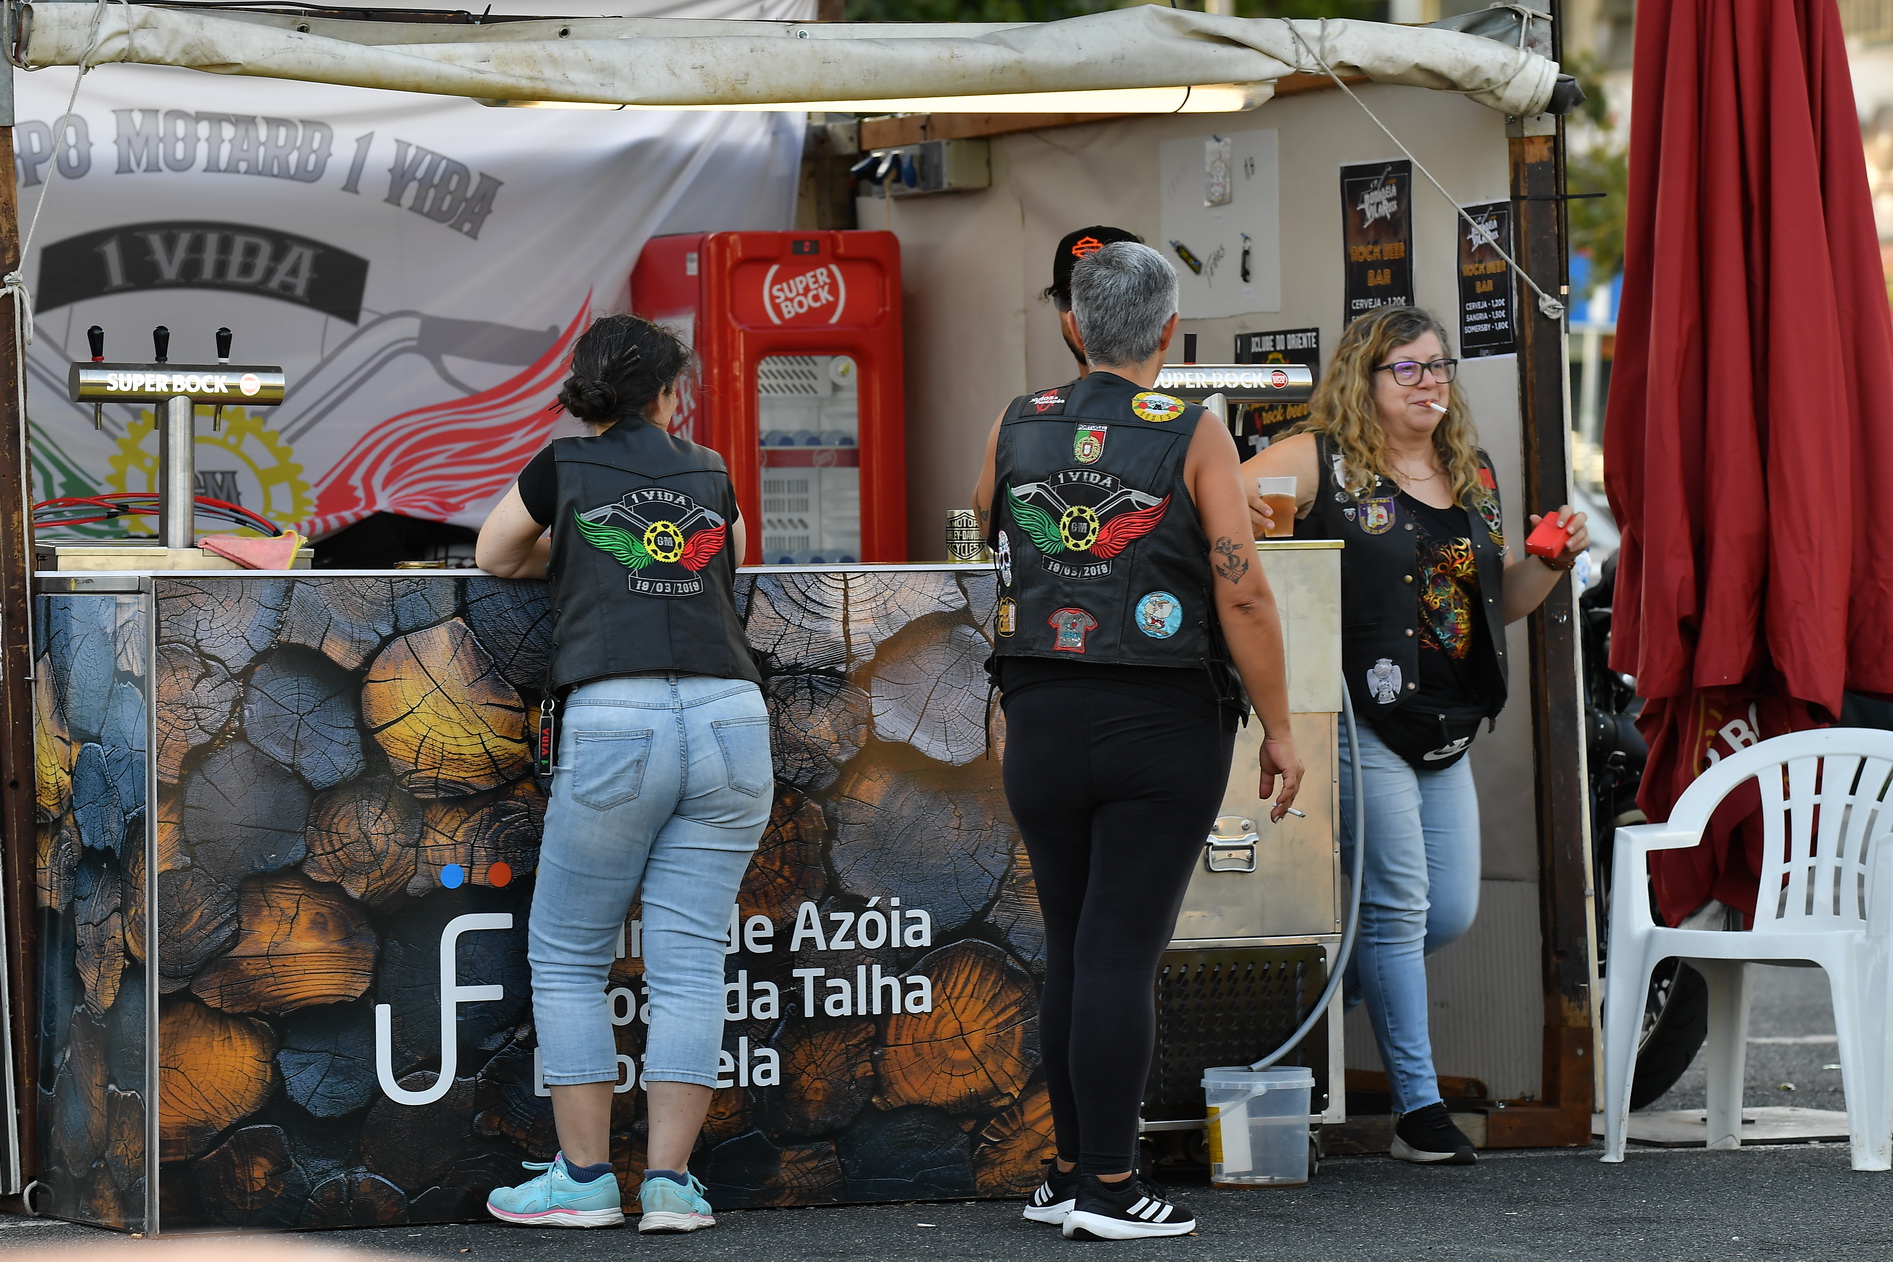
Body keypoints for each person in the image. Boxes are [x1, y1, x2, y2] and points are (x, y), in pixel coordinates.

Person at [974, 242, 1303, 1240]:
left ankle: (1068, 1170)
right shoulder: (1194, 432)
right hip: (1160, 722)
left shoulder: (1015, 422)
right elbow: (1243, 591)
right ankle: (1112, 1189)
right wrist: (1281, 726)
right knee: (1121, 950)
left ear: (1071, 325)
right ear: (1169, 331)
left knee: (1073, 945)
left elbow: (986, 536)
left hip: (1039, 715)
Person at [1241, 304, 1588, 1164]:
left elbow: (1497, 606)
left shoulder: (1469, 469)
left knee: (1448, 910)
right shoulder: (1319, 460)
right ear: (1363, 378)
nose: (1429, 382)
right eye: (1408, 368)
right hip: (1364, 718)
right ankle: (1417, 1111)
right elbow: (1216, 505)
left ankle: (1296, 1020)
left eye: (1437, 366)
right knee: (1397, 911)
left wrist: (1548, 564)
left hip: (1447, 723)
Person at [476, 314, 772, 1231]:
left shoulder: (560, 466)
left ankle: (585, 1179)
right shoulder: (710, 470)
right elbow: (736, 557)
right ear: (669, 392)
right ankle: (672, 1186)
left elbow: (494, 554)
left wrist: (575, 559)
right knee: (690, 962)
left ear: (588, 390)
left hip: (617, 720)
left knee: (570, 956)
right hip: (731, 718)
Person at [1047, 225, 1143, 372]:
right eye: (1068, 297)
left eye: (1105, 295)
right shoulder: (1051, 391)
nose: (1084, 313)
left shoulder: (1176, 385)